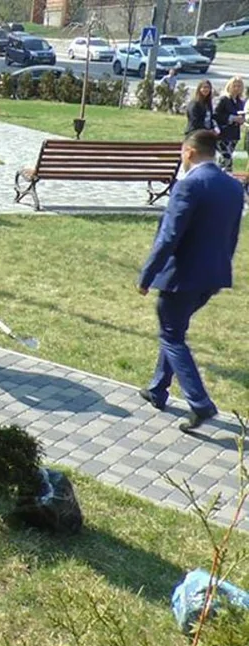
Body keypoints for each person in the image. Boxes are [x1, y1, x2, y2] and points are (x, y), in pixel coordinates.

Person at [137, 130, 242, 432]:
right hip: (213, 275)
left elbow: (169, 236)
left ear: (189, 152)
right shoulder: (233, 187)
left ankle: (200, 403)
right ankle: (158, 389)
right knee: (175, 329)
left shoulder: (189, 186)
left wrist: (147, 275)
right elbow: (231, 235)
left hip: (181, 276)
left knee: (171, 335)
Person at [213, 76, 246, 171]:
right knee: (226, 160)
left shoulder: (240, 102)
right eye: (234, 86)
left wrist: (241, 120)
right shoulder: (224, 99)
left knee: (225, 160)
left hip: (234, 135)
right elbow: (215, 115)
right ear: (229, 86)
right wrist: (231, 118)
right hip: (223, 134)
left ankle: (220, 179)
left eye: (239, 86)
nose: (236, 88)